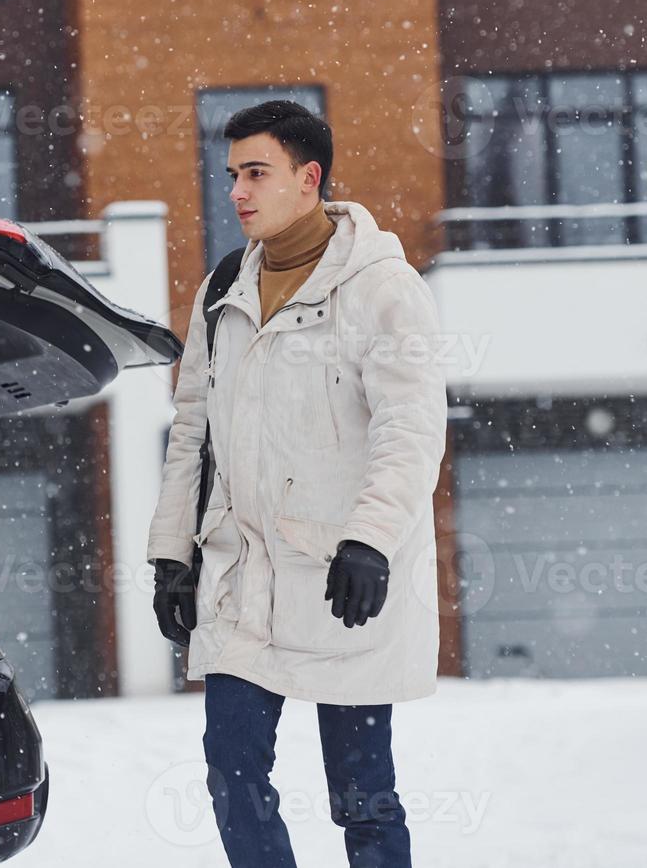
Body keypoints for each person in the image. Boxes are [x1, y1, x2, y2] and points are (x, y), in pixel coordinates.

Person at [145, 100, 448, 867]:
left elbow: (409, 429)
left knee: (360, 793)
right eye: (231, 176)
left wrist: (370, 542)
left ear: (308, 179)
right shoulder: (221, 289)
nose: (237, 192)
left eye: (256, 173)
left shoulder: (382, 289)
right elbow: (192, 430)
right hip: (242, 578)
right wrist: (170, 554)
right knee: (231, 771)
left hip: (339, 579)